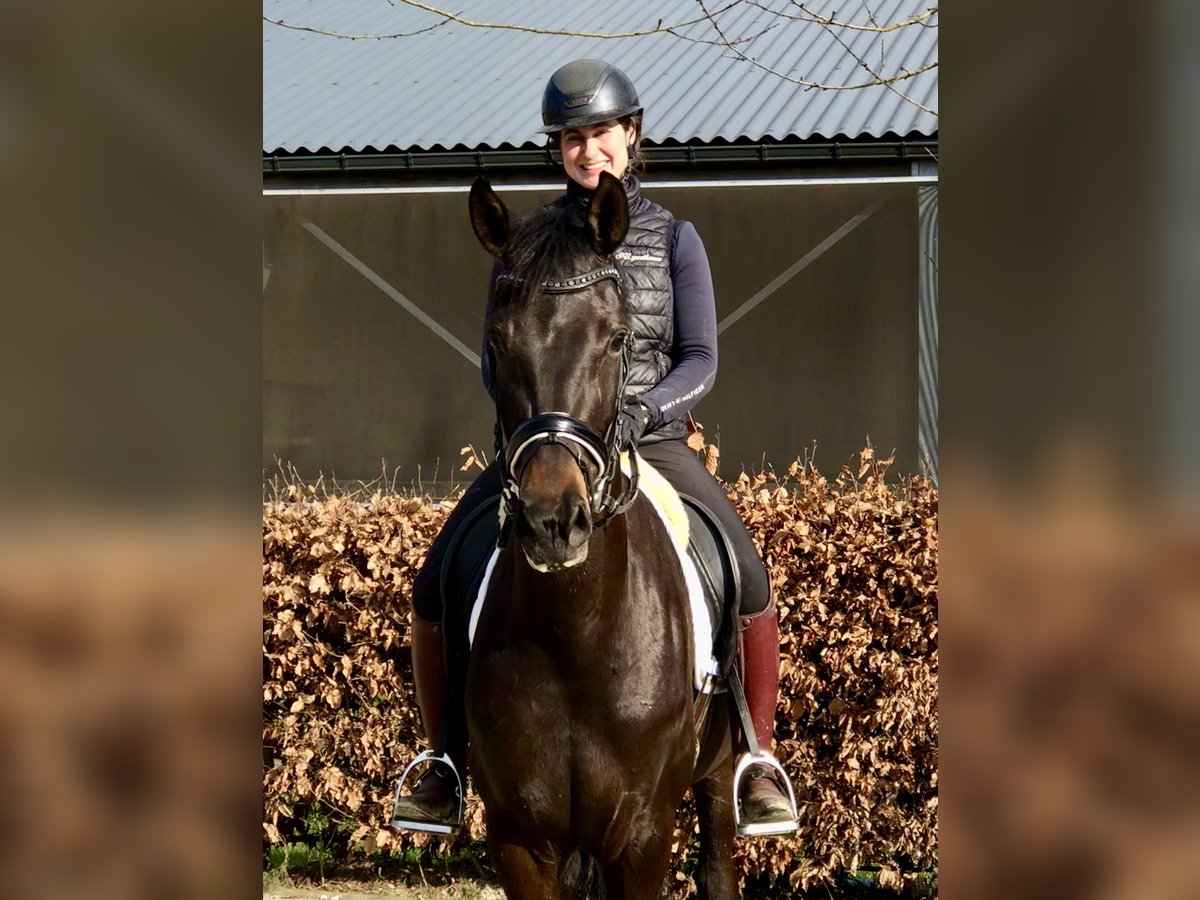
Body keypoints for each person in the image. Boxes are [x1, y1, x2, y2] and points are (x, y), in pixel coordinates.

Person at [392, 59, 796, 834]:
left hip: (651, 439)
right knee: (437, 575)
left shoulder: (674, 238)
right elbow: (497, 355)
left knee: (744, 570)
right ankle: (444, 757)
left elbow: (701, 357)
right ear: (559, 148)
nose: (586, 150)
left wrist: (644, 412)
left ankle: (754, 757)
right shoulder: (531, 245)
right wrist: (532, 430)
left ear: (631, 135)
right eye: (571, 138)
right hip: (550, 447)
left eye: (599, 133)